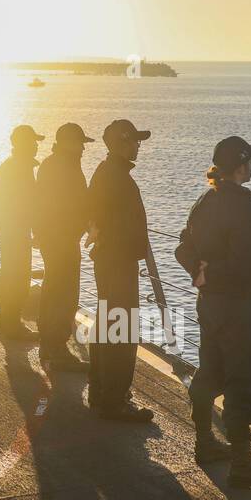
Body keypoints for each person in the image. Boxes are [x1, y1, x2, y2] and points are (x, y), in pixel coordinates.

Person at [175, 137, 251, 488]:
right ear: (240, 166)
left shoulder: (205, 200)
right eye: (250, 161)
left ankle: (205, 440)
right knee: (241, 379)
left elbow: (181, 247)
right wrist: (214, 275)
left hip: (208, 303)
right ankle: (242, 463)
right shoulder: (243, 207)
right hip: (236, 304)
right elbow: (245, 262)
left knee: (211, 369)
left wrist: (199, 273)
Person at [86, 119, 153, 422]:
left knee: (106, 325)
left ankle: (101, 394)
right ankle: (114, 400)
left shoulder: (105, 172)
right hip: (119, 262)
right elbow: (121, 223)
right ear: (122, 142)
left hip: (108, 260)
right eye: (135, 140)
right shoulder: (117, 178)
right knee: (122, 329)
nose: (138, 145)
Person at [35, 123, 94, 372]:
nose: (82, 148)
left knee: (54, 289)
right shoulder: (63, 166)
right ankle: (55, 348)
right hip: (61, 238)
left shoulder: (55, 163)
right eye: (79, 143)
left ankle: (50, 345)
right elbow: (67, 203)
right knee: (63, 292)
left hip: (56, 237)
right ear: (68, 143)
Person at [0, 125, 43, 341]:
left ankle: (9, 321)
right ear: (22, 143)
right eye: (33, 142)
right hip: (14, 229)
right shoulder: (16, 168)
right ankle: (10, 324)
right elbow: (25, 202)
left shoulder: (15, 167)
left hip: (11, 228)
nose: (36, 146)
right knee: (17, 275)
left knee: (13, 274)